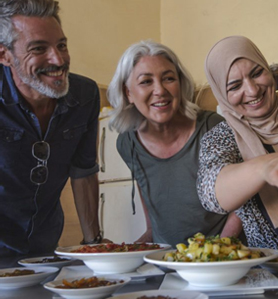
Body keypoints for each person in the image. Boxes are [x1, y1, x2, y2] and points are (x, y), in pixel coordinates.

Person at [107, 40, 243, 247]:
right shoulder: (127, 143)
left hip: (224, 255)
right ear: (128, 93)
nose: (160, 90)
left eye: (168, 78)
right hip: (166, 258)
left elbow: (246, 194)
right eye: (146, 81)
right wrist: (151, 231)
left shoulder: (212, 127)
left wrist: (222, 246)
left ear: (180, 83)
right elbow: (145, 184)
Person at [0, 0, 107, 256]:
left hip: (44, 249)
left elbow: (83, 172)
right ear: (4, 55)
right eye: (39, 48)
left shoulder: (86, 95)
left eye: (61, 45)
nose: (58, 60)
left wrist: (94, 246)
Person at [197, 35, 278, 257]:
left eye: (257, 73)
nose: (253, 91)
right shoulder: (222, 137)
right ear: (221, 94)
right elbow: (211, 194)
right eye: (234, 86)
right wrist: (267, 166)